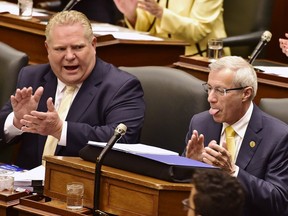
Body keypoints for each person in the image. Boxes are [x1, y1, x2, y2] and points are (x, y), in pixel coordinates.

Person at [0, 10, 145, 170]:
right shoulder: (32, 77)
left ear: (93, 45)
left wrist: (60, 130)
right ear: (47, 49)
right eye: (60, 49)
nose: (69, 56)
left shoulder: (121, 86)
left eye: (77, 47)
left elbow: (122, 142)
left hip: (80, 187)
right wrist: (16, 121)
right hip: (25, 188)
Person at [183, 56, 288, 216]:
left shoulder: (278, 137)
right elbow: (179, 182)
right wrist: (192, 165)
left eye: (220, 90)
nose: (210, 98)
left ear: (246, 93)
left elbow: (279, 201)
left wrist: (233, 172)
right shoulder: (201, 123)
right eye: (209, 88)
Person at [114, 0, 229, 56]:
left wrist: (161, 13)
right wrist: (131, 15)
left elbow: (198, 31)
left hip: (200, 58)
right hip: (161, 53)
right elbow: (148, 26)